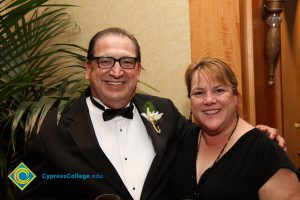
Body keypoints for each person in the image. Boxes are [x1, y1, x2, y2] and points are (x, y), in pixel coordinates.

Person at [17, 28, 284, 200]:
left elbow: (209, 133)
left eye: (127, 62)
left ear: (138, 71)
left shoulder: (162, 112)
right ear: (88, 69)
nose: (117, 71)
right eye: (105, 61)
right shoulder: (50, 129)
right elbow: (17, 186)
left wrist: (253, 133)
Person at [167, 57, 300, 200]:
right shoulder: (184, 139)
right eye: (199, 93)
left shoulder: (264, 151)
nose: (209, 100)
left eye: (219, 90)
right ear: (191, 101)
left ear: (236, 97)